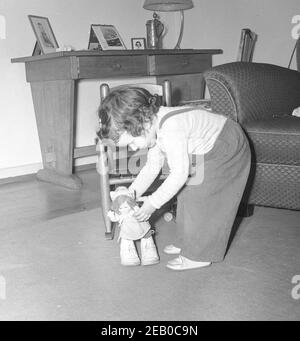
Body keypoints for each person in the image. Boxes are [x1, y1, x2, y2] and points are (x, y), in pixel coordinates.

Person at [97, 87, 251, 271]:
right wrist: (131, 193)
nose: (132, 148)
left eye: (131, 142)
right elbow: (151, 167)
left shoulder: (171, 128)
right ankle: (188, 241)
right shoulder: (154, 126)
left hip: (227, 147)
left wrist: (152, 203)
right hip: (208, 147)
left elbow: (179, 174)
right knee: (185, 192)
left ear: (141, 122)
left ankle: (200, 255)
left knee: (202, 199)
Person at [108, 186, 159, 266]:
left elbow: (142, 212)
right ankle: (128, 251)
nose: (123, 209)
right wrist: (111, 213)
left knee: (146, 233)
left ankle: (148, 248)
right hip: (127, 229)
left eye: (125, 206)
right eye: (120, 208)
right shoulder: (121, 215)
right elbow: (114, 218)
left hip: (139, 225)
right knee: (126, 238)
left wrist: (142, 211)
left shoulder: (134, 209)